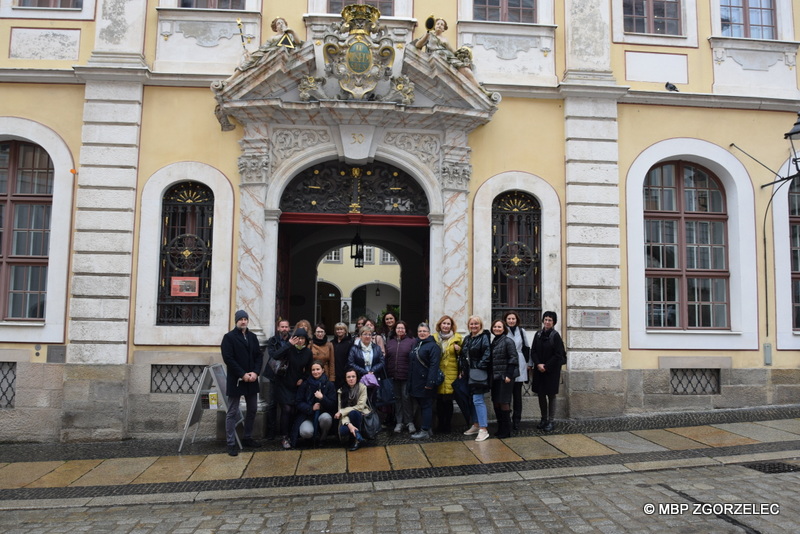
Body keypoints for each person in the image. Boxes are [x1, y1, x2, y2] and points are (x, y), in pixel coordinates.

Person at [220, 309, 263, 456]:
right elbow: (228, 358)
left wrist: (255, 372)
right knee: (232, 411)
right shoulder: (229, 337)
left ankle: (247, 437)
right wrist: (242, 374)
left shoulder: (252, 337)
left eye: (245, 319)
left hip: (252, 378)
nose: (243, 321)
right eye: (241, 319)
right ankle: (231, 443)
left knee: (252, 409)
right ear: (236, 321)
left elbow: (258, 356)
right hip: (237, 380)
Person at [273, 326, 313, 449]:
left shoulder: (308, 352)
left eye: (302, 339)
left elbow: (309, 369)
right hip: (283, 383)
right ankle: (284, 437)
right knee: (286, 409)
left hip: (297, 385)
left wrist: (303, 379)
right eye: (298, 338)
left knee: (294, 410)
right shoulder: (289, 348)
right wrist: (289, 344)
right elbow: (275, 355)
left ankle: (293, 434)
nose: (300, 341)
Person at [414, 17, 482, 87]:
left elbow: (453, 51)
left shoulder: (445, 39)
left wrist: (464, 52)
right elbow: (418, 45)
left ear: (444, 29)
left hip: (449, 57)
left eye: (442, 24)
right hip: (437, 57)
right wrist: (427, 33)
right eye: (437, 24)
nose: (439, 25)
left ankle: (480, 90)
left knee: (466, 70)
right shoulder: (429, 35)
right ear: (434, 26)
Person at [531, 311, 566, 432]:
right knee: (541, 395)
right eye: (545, 319)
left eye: (550, 320)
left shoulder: (555, 336)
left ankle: (551, 421)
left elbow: (558, 354)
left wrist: (546, 366)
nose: (547, 322)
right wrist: (538, 364)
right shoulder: (538, 334)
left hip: (551, 371)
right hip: (539, 370)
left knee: (551, 396)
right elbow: (533, 351)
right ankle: (543, 419)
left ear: (554, 322)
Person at [408, 322, 442, 440]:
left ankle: (425, 430)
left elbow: (434, 366)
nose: (422, 333)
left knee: (426, 405)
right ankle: (428, 428)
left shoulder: (433, 346)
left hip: (426, 382)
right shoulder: (417, 344)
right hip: (416, 382)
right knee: (422, 405)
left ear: (429, 333)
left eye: (424, 331)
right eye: (420, 331)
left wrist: (430, 382)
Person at [291, 361, 336, 447]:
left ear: (323, 370)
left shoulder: (329, 385)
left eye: (318, 369)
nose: (315, 372)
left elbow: (332, 404)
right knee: (306, 432)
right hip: (308, 415)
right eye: (313, 370)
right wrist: (311, 408)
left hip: (323, 413)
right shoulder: (305, 384)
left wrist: (322, 398)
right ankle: (309, 439)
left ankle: (323, 438)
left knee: (326, 419)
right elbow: (298, 402)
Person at [461, 315, 491, 442]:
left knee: (478, 400)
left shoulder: (483, 337)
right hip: (468, 373)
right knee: (472, 400)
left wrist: (478, 366)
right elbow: (463, 355)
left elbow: (487, 353)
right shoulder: (467, 338)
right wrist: (462, 369)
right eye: (471, 324)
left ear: (480, 325)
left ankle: (483, 429)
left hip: (478, 373)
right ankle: (476, 424)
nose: (473, 326)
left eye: (476, 324)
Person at [385, 320, 416, 433]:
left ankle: (409, 422)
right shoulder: (390, 342)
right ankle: (399, 422)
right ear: (395, 330)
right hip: (393, 375)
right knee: (397, 399)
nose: (400, 330)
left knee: (406, 398)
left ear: (406, 330)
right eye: (398, 328)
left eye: (402, 328)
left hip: (406, 375)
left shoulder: (412, 341)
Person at [489, 319, 519, 439]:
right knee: (496, 402)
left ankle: (506, 430)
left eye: (499, 327)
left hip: (505, 377)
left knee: (504, 403)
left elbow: (513, 358)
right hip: (495, 377)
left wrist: (509, 375)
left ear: (504, 329)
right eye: (495, 327)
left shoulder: (508, 341)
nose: (497, 329)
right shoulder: (494, 341)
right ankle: (500, 427)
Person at [433, 315, 462, 433]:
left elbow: (463, 356)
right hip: (438, 373)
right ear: (440, 325)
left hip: (452, 372)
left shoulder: (457, 338)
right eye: (444, 323)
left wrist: (459, 349)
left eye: (448, 324)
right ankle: (440, 425)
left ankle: (447, 425)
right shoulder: (433, 338)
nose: (446, 326)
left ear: (451, 326)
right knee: (439, 400)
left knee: (448, 401)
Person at [264, 318, 291, 440]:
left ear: (289, 328)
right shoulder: (273, 341)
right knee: (272, 404)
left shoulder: (293, 339)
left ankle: (285, 431)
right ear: (278, 328)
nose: (284, 329)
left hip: (287, 376)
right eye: (282, 327)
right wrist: (289, 345)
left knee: (287, 404)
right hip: (274, 376)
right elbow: (274, 355)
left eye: (286, 327)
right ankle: (271, 431)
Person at [504, 311, 530, 431]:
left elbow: (526, 347)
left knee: (517, 395)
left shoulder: (521, 331)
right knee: (507, 395)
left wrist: (529, 364)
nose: (511, 321)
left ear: (516, 320)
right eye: (509, 319)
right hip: (507, 364)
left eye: (513, 318)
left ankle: (516, 420)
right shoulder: (503, 330)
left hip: (520, 362)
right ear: (506, 320)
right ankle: (507, 419)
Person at [335, 368, 369, 451]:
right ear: (345, 379)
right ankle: (357, 436)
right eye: (348, 377)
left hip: (360, 413)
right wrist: (348, 424)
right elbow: (341, 410)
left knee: (354, 413)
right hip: (346, 417)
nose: (351, 379)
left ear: (357, 377)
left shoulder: (362, 387)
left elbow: (360, 406)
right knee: (343, 430)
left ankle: (355, 440)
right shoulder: (341, 391)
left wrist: (342, 411)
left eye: (353, 376)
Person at [331, 322, 353, 390]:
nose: (339, 331)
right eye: (337, 329)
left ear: (345, 330)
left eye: (341, 329)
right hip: (334, 372)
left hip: (345, 371)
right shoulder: (332, 343)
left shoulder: (350, 342)